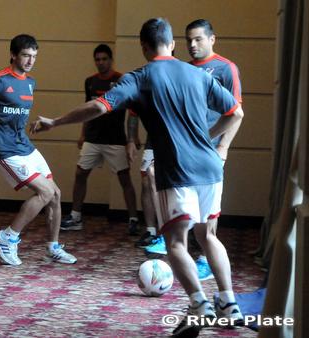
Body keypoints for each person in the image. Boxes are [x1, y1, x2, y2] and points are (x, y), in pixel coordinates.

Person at [31, 18, 244, 338]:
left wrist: (55, 122)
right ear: (172, 44)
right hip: (211, 166)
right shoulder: (198, 74)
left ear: (144, 47)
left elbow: (99, 106)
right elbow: (236, 113)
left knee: (175, 242)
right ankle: (230, 304)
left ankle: (200, 306)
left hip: (178, 170)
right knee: (209, 236)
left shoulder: (140, 77)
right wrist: (208, 141)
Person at [0, 34, 76, 266]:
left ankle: (53, 247)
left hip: (25, 145)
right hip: (5, 150)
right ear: (13, 54)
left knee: (55, 194)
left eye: (34, 56)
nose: (30, 60)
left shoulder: (30, 82)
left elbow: (16, 114)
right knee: (44, 192)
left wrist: (39, 125)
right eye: (26, 55)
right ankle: (9, 237)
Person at [60, 44, 139, 234]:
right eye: (97, 59)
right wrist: (82, 134)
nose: (101, 62)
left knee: (124, 179)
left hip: (115, 139)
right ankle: (76, 216)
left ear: (111, 60)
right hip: (93, 138)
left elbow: (132, 110)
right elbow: (87, 109)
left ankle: (133, 219)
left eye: (104, 59)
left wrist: (132, 137)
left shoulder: (121, 80)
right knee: (80, 174)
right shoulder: (90, 82)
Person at [186, 18, 243, 282]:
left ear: (212, 39)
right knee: (190, 208)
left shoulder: (225, 68)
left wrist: (222, 148)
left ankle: (205, 260)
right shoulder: (184, 69)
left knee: (208, 212)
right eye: (189, 40)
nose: (193, 44)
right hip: (188, 151)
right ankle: (191, 254)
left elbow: (236, 112)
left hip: (211, 152)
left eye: (198, 39)